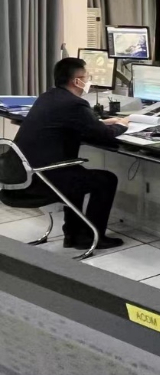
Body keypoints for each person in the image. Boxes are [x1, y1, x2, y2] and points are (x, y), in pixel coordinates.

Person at [9, 58, 128, 249]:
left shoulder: (48, 96)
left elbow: (78, 123)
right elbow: (104, 135)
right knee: (106, 180)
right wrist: (122, 125)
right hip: (43, 179)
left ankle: (73, 235)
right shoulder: (75, 104)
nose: (88, 81)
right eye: (86, 77)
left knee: (75, 173)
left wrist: (103, 122)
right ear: (76, 81)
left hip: (23, 175)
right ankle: (91, 237)